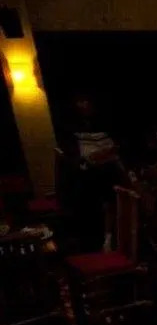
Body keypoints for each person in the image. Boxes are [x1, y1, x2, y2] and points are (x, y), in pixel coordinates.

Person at [58, 94, 127, 252]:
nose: (83, 105)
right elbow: (69, 153)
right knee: (88, 199)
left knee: (111, 199)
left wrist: (107, 155)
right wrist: (83, 160)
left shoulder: (105, 121)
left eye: (86, 101)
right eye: (80, 101)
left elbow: (117, 146)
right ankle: (94, 241)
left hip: (107, 170)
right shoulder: (71, 126)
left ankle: (109, 238)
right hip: (86, 173)